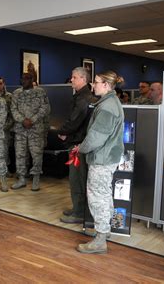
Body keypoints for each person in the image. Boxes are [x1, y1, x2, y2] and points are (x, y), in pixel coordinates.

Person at [76, 70, 125, 254]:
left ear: (105, 85)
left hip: (102, 158)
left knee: (98, 197)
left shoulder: (107, 107)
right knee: (104, 194)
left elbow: (96, 138)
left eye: (95, 82)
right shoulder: (110, 102)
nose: (92, 85)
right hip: (106, 157)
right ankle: (104, 231)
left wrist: (81, 148)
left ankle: (100, 240)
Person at [57, 67, 96, 224]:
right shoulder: (83, 96)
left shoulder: (83, 98)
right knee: (78, 178)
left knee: (77, 178)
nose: (71, 80)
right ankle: (78, 207)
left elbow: (75, 120)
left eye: (74, 77)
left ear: (83, 79)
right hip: (79, 142)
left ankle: (80, 212)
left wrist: (63, 131)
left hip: (78, 145)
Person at [11, 72, 51, 191]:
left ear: (32, 79)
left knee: (36, 155)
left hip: (36, 129)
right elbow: (13, 109)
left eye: (27, 79)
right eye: (22, 78)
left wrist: (32, 120)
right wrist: (22, 120)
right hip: (20, 129)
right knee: (20, 154)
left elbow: (45, 108)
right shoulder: (16, 93)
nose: (24, 81)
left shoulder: (40, 92)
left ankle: (36, 178)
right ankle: (22, 178)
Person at [0, 76, 14, 177]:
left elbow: (12, 115)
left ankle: (6, 170)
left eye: (1, 83)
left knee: (4, 150)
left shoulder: (9, 97)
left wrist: (6, 127)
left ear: (4, 84)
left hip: (4, 128)